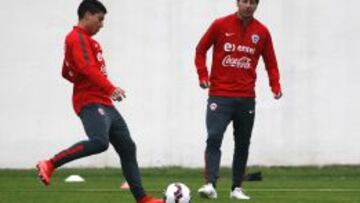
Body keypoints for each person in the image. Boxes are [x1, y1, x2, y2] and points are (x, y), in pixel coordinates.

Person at [36, 1, 163, 203]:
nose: (102, 25)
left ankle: (143, 199)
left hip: (104, 102)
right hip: (90, 100)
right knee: (99, 142)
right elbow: (86, 68)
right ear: (87, 15)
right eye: (100, 19)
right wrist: (110, 88)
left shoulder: (87, 41)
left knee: (128, 147)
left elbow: (67, 72)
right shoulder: (76, 38)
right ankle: (50, 163)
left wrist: (87, 78)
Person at [195, 0, 282, 200]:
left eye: (253, 2)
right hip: (219, 95)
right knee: (214, 137)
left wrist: (275, 86)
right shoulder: (220, 25)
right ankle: (210, 184)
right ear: (237, 3)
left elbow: (271, 63)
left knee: (242, 143)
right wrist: (202, 75)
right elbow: (200, 50)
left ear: (257, 5)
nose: (248, 6)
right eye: (245, 1)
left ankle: (236, 188)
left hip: (246, 98)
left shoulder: (262, 32)